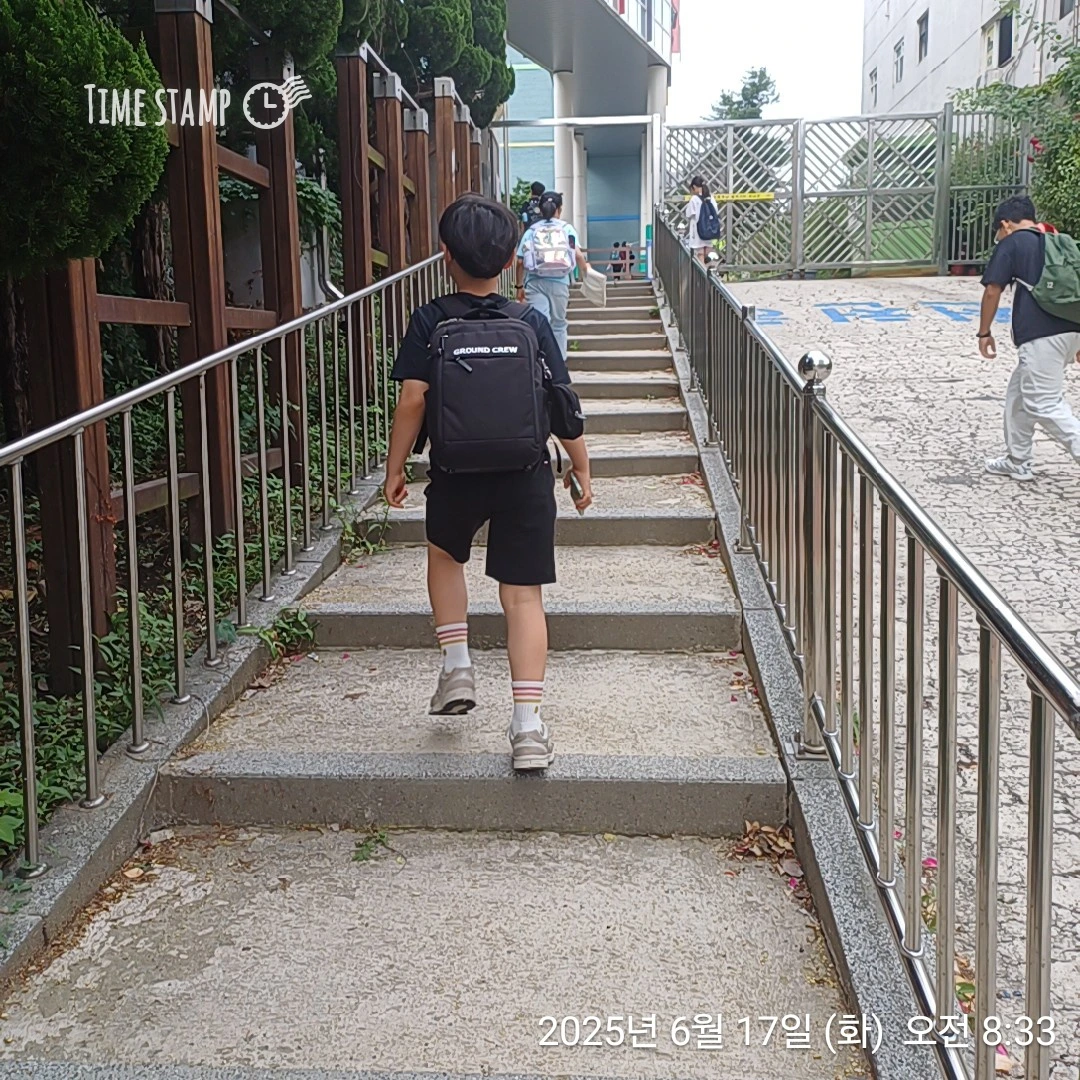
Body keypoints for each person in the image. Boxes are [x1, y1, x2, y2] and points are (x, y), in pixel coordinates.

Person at [384, 194, 593, 771]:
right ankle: (527, 729)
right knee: (523, 597)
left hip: (455, 471)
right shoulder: (530, 321)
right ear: (509, 262)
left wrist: (396, 466)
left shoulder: (430, 319)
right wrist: (581, 465)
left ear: (445, 255)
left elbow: (413, 400)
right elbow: (562, 402)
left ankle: (457, 664)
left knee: (444, 555)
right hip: (525, 474)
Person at [978, 195, 1080, 481]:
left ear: (1005, 225)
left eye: (998, 232)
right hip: (1071, 330)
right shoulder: (1058, 241)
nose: (999, 238)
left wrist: (984, 332)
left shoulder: (1013, 243)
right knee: (1019, 396)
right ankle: (1017, 460)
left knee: (1045, 404)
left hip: (1041, 336)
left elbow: (992, 291)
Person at [515, 190, 589, 361]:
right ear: (559, 209)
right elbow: (578, 255)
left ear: (540, 209)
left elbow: (519, 262)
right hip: (560, 283)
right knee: (559, 324)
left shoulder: (531, 231)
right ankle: (559, 363)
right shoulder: (567, 229)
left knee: (540, 323)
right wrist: (587, 273)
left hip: (534, 283)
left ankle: (540, 361)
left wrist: (519, 286)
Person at [685, 176, 718, 265]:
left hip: (697, 233)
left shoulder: (694, 199)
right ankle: (710, 272)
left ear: (694, 187)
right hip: (709, 231)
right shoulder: (711, 198)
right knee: (709, 256)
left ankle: (702, 274)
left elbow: (688, 214)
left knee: (700, 256)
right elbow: (716, 211)